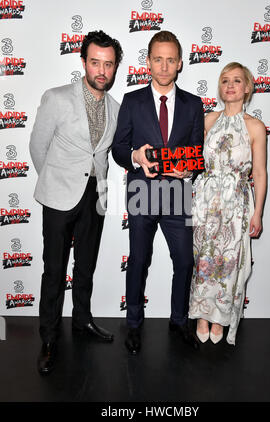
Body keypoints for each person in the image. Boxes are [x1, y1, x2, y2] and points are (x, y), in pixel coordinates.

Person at [29, 30, 123, 374]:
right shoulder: (56, 98)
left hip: (95, 199)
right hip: (58, 197)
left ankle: (82, 321)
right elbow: (37, 148)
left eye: (108, 64)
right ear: (83, 62)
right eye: (95, 62)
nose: (101, 70)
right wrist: (55, 183)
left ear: (115, 68)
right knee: (54, 271)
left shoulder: (116, 108)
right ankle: (49, 338)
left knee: (85, 267)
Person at [112, 31, 204, 354]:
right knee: (138, 261)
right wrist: (135, 156)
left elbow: (196, 151)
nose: (164, 66)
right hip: (142, 190)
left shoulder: (194, 104)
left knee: (184, 261)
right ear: (148, 62)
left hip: (178, 193)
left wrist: (190, 167)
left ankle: (179, 320)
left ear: (180, 63)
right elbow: (119, 148)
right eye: (157, 59)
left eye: (170, 60)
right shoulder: (132, 101)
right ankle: (134, 324)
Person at [189, 62, 267, 345]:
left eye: (236, 81)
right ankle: (201, 314)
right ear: (220, 89)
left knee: (229, 263)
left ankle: (220, 318)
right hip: (206, 201)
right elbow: (193, 162)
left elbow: (258, 173)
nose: (230, 85)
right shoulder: (207, 120)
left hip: (236, 203)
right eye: (225, 81)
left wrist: (257, 212)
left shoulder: (255, 126)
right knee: (203, 259)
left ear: (247, 88)